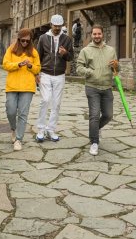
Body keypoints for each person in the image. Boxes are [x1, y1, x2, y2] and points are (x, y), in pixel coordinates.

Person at [76, 24, 118, 156]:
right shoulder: (85, 51)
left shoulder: (111, 50)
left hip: (107, 87)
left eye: (99, 34)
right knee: (94, 115)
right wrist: (90, 72)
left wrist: (117, 65)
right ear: (91, 35)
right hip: (92, 87)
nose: (97, 36)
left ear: (102, 34)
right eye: (94, 34)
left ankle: (95, 129)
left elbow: (116, 69)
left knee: (108, 115)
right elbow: (79, 68)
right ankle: (94, 142)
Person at [36, 14, 73, 142]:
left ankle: (51, 130)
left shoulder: (67, 39)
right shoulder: (43, 38)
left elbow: (71, 57)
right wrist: (36, 74)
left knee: (56, 104)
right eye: (55, 26)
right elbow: (38, 57)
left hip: (60, 75)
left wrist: (65, 54)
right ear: (51, 25)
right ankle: (40, 129)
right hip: (45, 73)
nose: (57, 28)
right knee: (45, 100)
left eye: (59, 26)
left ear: (62, 25)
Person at [2, 28, 41, 151]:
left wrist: (30, 66)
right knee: (11, 111)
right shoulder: (11, 49)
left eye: (27, 41)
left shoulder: (34, 52)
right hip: (12, 86)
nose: (25, 43)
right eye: (22, 40)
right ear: (19, 39)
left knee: (23, 114)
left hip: (27, 87)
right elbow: (5, 64)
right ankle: (13, 129)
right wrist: (18, 64)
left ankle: (19, 139)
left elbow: (38, 69)